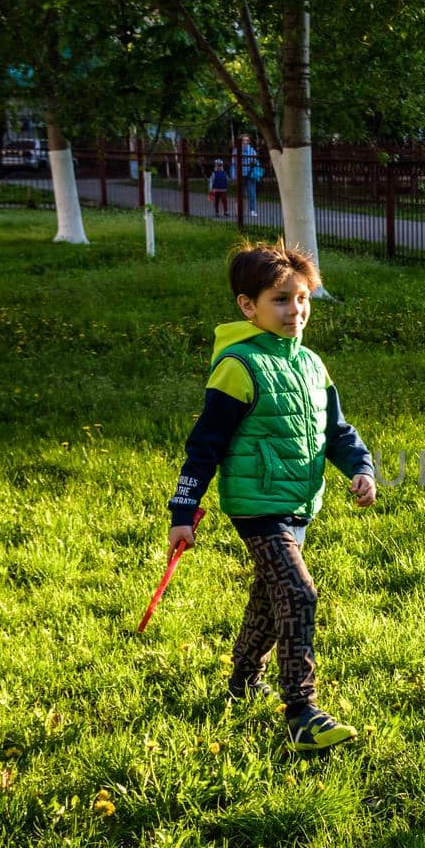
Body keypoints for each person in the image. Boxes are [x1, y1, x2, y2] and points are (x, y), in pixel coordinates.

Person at [166, 242, 378, 753]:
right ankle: (301, 710)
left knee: (270, 596)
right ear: (248, 306)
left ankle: (241, 683)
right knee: (299, 593)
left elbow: (336, 430)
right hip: (257, 506)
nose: (295, 311)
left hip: (298, 502)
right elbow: (204, 445)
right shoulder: (238, 367)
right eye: (280, 300)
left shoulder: (310, 364)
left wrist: (360, 467)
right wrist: (183, 511)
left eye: (302, 298)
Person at [240, 139, 261, 217]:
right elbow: (233, 163)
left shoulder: (252, 151)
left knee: (252, 193)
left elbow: (256, 162)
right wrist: (233, 176)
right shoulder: (237, 150)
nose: (245, 142)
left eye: (247, 140)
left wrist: (254, 162)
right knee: (240, 194)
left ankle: (252, 210)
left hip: (250, 175)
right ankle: (240, 210)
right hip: (241, 175)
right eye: (243, 140)